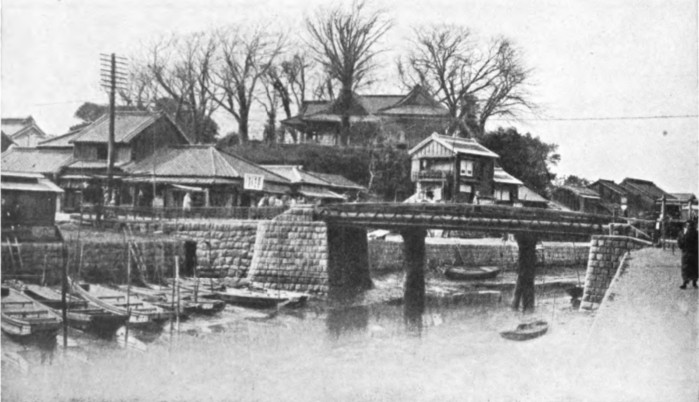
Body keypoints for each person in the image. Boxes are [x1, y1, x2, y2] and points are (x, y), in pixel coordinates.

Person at [677, 219, 698, 289]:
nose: (689, 227)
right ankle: (688, 282)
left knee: (689, 267)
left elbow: (680, 242)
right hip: (690, 252)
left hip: (690, 252)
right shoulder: (694, 233)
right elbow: (680, 242)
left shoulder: (685, 233)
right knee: (690, 267)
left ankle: (689, 282)